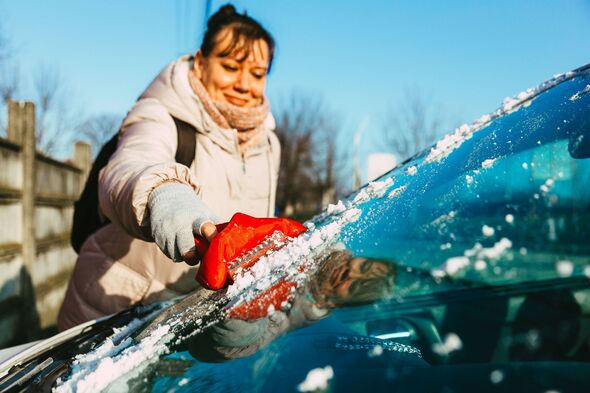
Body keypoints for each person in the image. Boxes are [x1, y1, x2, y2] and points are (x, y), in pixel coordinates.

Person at [58, 4, 279, 331]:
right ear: (201, 62)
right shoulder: (161, 114)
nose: (245, 84)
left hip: (197, 326)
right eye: (231, 66)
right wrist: (167, 197)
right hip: (116, 319)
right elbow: (134, 161)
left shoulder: (270, 146)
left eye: (257, 74)